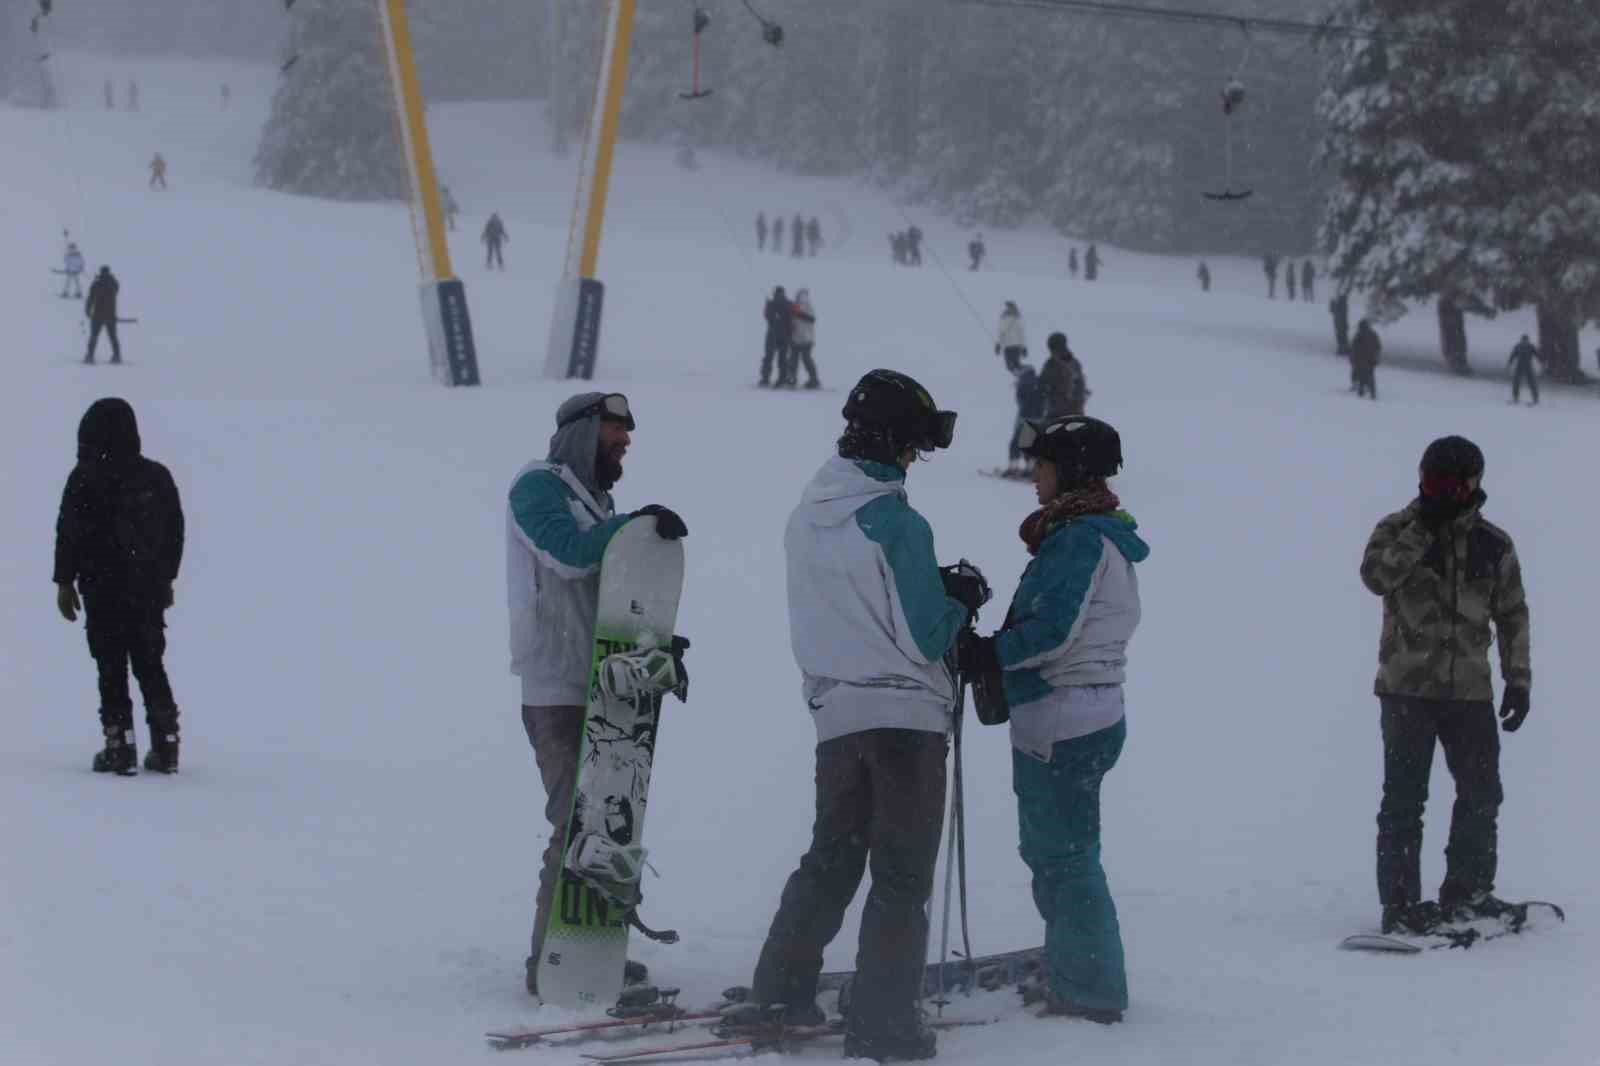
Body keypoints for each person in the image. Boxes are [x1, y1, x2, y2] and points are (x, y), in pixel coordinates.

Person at [748, 369, 984, 1061]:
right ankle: (884, 1020)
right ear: (895, 442)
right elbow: (924, 637)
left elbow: (853, 609)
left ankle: (781, 987)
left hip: (836, 716)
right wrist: (961, 598)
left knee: (830, 859)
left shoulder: (807, 515)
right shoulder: (898, 521)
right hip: (906, 722)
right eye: (916, 445)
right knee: (901, 876)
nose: (917, 459)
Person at [957, 414, 1147, 1023]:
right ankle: (1080, 969)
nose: (1034, 474)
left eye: (1042, 464)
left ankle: (1090, 988)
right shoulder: (1093, 533)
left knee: (1063, 858)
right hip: (1084, 712)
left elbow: (1053, 631)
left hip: (1065, 718)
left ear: (1070, 471)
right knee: (1064, 853)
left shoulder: (1078, 539)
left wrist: (987, 652)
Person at [507, 391, 689, 998]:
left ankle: (591, 949)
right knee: (575, 826)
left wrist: (653, 644)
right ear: (583, 431)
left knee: (608, 828)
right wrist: (633, 528)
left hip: (603, 683)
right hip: (556, 686)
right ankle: (551, 962)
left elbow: (609, 593)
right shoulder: (536, 489)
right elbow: (570, 556)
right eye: (615, 430)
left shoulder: (597, 500)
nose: (626, 442)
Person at [1359, 436, 1530, 936]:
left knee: (1481, 793)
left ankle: (1468, 891)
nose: (1439, 494)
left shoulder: (1493, 544)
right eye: (1431, 483)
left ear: (1473, 484)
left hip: (1469, 696)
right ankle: (1401, 905)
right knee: (1404, 801)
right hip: (1406, 692)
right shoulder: (1396, 530)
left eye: (1450, 486)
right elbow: (1375, 577)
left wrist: (1517, 680)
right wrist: (1421, 533)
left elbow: (1513, 614)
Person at [54, 398, 185, 775]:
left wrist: (65, 581)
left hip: (102, 587)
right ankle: (166, 742)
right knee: (150, 661)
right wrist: (167, 578)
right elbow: (175, 532)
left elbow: (69, 532)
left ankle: (119, 743)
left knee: (110, 664)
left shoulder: (84, 477)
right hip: (147, 588)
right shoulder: (156, 476)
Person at [1006, 360, 1045, 478]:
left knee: (1016, 442)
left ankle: (1013, 467)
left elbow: (1020, 400)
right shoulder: (1040, 383)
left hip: (1024, 417)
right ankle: (1030, 469)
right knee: (1029, 443)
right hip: (1038, 418)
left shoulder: (1024, 383)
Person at [1039, 332, 1085, 418]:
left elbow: (1079, 387)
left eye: (1052, 348)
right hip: (1057, 412)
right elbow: (1041, 384)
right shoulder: (1050, 364)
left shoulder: (1072, 364)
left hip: (1065, 413)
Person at [84, 266, 121, 365]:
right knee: (113, 336)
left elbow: (90, 298)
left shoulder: (97, 284)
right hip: (111, 314)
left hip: (98, 315)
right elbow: (117, 288)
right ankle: (117, 356)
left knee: (94, 336)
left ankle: (90, 356)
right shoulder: (113, 283)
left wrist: (87, 310)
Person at [760, 285, 793, 387]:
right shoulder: (789, 303)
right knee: (782, 359)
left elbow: (767, 317)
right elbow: (792, 319)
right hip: (785, 336)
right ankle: (782, 380)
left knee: (768, 358)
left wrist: (768, 304)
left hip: (772, 335)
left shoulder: (771, 303)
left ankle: (765, 378)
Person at [788, 288, 820, 389]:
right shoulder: (794, 307)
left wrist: (798, 313)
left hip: (806, 339)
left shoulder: (807, 307)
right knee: (794, 360)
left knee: (805, 360)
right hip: (797, 338)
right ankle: (792, 379)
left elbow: (812, 319)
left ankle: (813, 380)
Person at [1350, 318, 1381, 400]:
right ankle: (1372, 392)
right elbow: (1378, 347)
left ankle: (1361, 391)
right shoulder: (1373, 335)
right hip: (1371, 360)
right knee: (1370, 376)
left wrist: (1353, 359)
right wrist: (1376, 357)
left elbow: (1354, 348)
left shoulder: (1359, 335)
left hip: (1361, 360)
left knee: (1361, 376)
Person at [1507, 335, 1540, 406]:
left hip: (1528, 367)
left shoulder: (1531, 347)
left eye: (1526, 341)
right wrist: (1509, 363)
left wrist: (1541, 361)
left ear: (1528, 341)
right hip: (1519, 366)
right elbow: (1513, 355)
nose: (1525, 342)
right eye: (1523, 341)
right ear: (1521, 340)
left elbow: (1537, 355)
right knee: (1516, 382)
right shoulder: (1518, 347)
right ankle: (1515, 397)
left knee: (1532, 382)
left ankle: (1535, 398)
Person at [995, 301, 1027, 372]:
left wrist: (998, 344)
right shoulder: (1016, 318)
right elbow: (1021, 334)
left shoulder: (1006, 319)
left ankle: (1023, 378)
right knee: (1014, 366)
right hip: (1012, 346)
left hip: (1012, 346)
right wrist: (1024, 347)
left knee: (1012, 366)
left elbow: (1001, 333)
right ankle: (1022, 377)